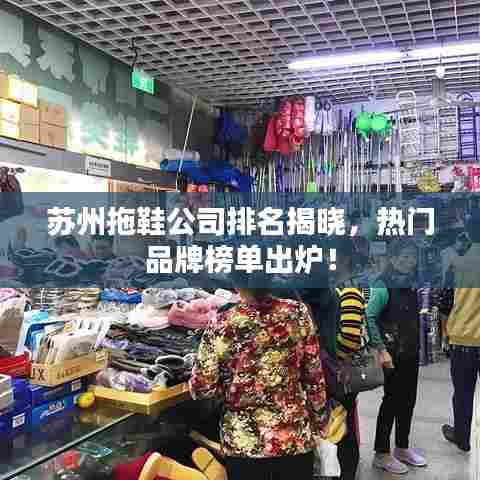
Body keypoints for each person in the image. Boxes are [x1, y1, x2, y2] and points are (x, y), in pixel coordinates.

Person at [189, 271, 328, 480]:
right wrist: (320, 421)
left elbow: (202, 388)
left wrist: (232, 386)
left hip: (244, 443)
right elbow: (314, 377)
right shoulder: (297, 313)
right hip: (294, 438)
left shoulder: (221, 323)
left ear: (234, 281)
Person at [366, 239, 427, 475]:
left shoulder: (411, 283)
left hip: (410, 352)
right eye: (404, 256)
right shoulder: (382, 284)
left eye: (412, 257)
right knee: (391, 401)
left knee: (408, 400)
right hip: (391, 356)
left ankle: (402, 447)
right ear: (392, 258)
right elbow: (369, 316)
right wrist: (381, 349)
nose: (408, 261)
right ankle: (381, 453)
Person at [441, 211, 480, 453]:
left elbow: (444, 303)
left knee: (463, 393)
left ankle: (463, 438)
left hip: (463, 340)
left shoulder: (456, 263)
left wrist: (446, 335)